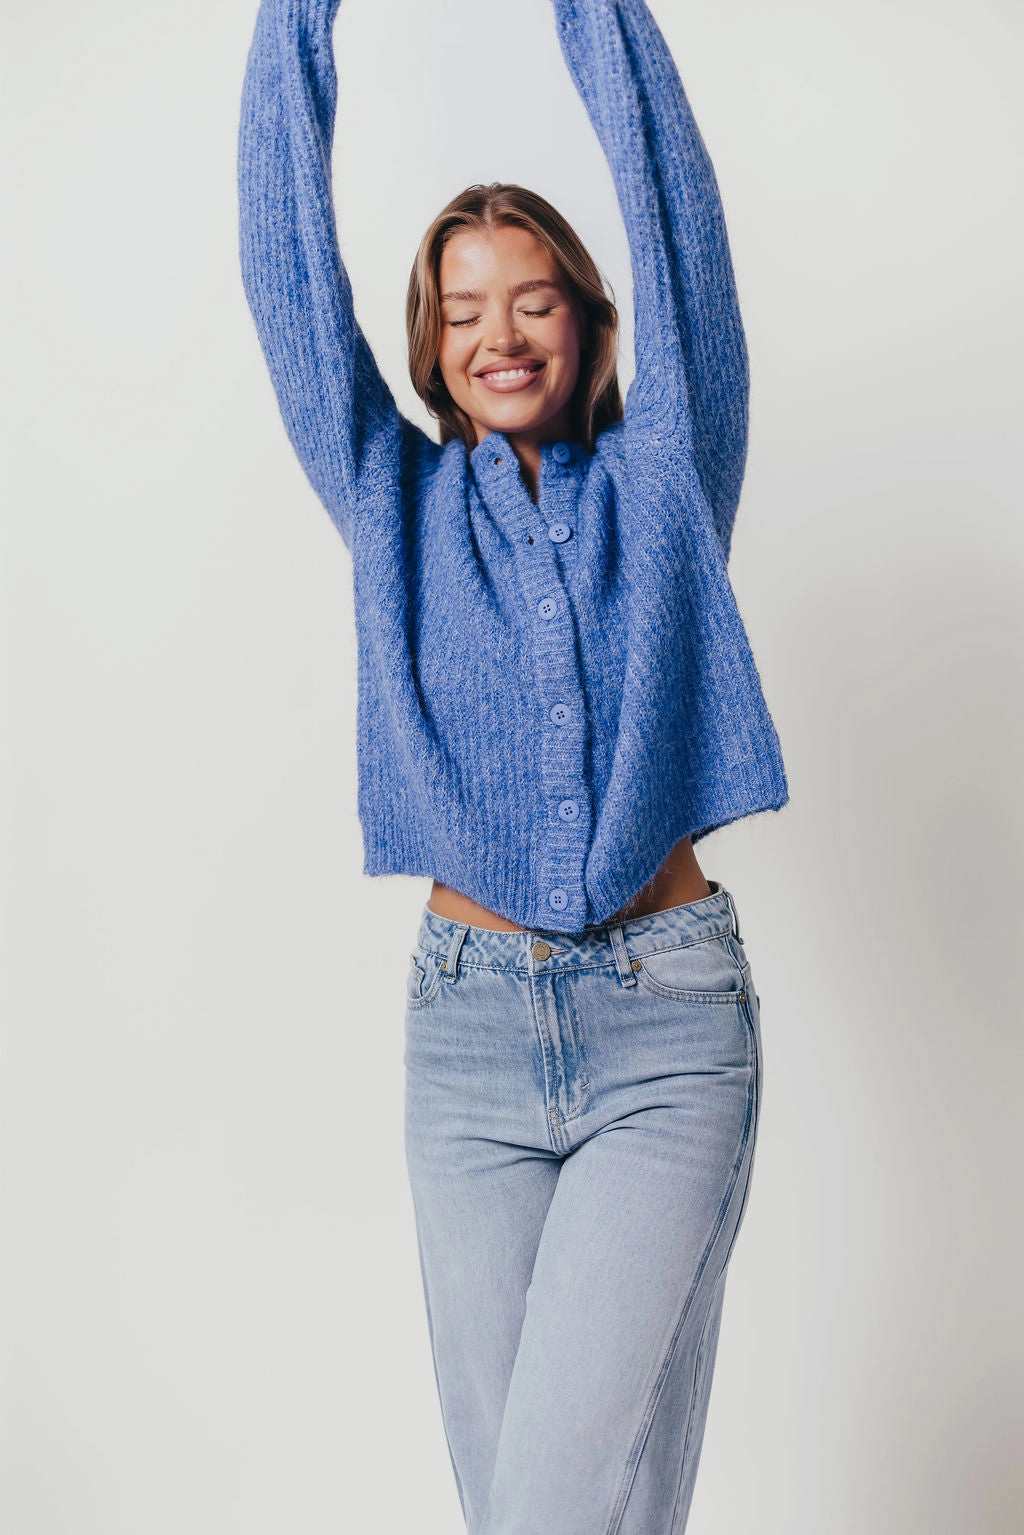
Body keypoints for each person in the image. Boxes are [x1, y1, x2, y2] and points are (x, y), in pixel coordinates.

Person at [238, 0, 788, 1529]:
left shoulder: (672, 470)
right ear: (429, 341)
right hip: (465, 1049)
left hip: (666, 1033)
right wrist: (300, 21)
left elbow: (677, 222)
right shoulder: (388, 505)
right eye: (465, 306)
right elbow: (288, 277)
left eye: (535, 298)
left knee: (548, 1509)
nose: (499, 332)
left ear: (595, 323)